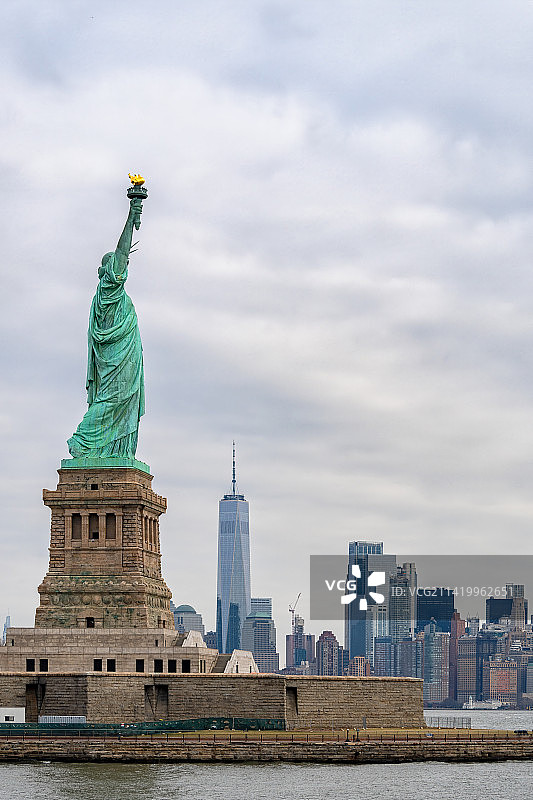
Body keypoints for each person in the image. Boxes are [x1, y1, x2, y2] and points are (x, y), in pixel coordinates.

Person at [67, 198, 145, 458]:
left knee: (122, 404)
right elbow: (122, 253)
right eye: (118, 265)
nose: (124, 267)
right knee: (111, 401)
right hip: (115, 363)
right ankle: (83, 441)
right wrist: (131, 217)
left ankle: (114, 451)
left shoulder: (110, 297)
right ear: (109, 271)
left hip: (125, 359)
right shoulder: (108, 291)